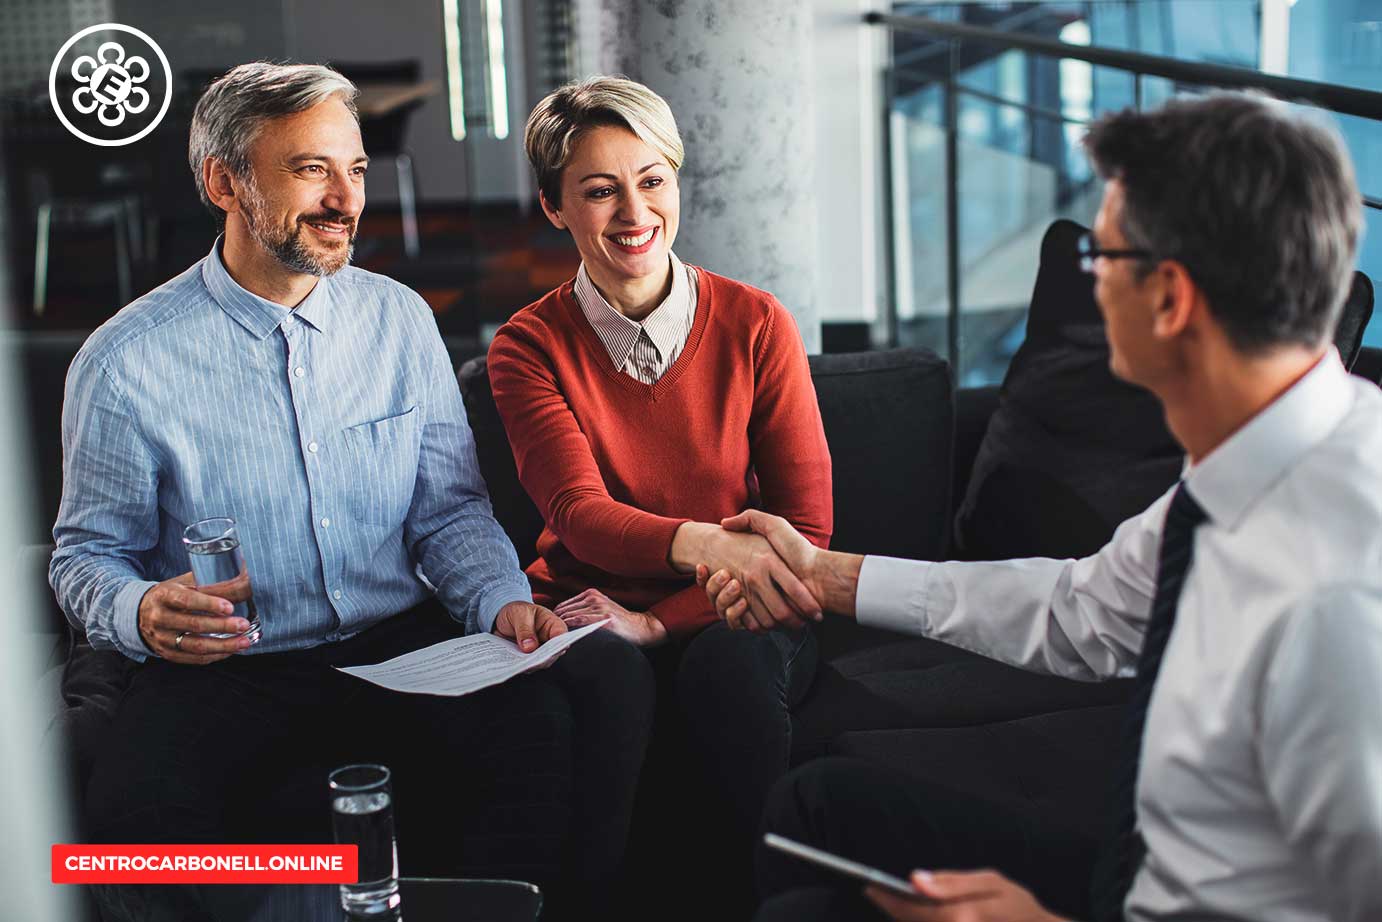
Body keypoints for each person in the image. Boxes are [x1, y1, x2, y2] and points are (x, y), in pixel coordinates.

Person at [701, 92, 1382, 922]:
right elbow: (1081, 611)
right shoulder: (1249, 457)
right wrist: (819, 574)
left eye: (1102, 256)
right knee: (812, 811)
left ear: (1170, 298)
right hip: (1143, 868)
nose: (1091, 282)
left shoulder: (1335, 591)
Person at [50, 63, 652, 921]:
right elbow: (85, 556)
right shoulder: (123, 362)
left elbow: (448, 511)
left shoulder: (400, 319)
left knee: (537, 741)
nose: (345, 200)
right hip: (228, 670)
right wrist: (138, 609)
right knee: (133, 841)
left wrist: (499, 601)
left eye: (356, 170)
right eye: (311, 170)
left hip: (400, 652)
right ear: (225, 183)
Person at [486, 76, 832, 909]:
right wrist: (707, 543)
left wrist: (659, 621)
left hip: (745, 597)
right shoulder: (526, 347)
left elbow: (806, 532)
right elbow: (580, 516)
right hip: (587, 598)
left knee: (731, 669)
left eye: (652, 180)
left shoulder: (757, 322)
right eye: (599, 191)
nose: (634, 212)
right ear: (554, 207)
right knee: (605, 677)